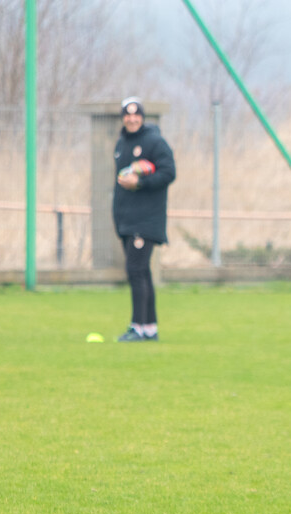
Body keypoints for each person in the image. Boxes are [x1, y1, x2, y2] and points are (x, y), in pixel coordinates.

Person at [112, 96, 176, 342]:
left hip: (146, 220)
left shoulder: (154, 142)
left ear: (142, 116)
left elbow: (169, 172)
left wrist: (141, 181)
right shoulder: (121, 144)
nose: (132, 118)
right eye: (128, 115)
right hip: (126, 220)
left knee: (135, 270)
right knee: (142, 272)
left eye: (136, 114)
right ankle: (150, 327)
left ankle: (137, 327)